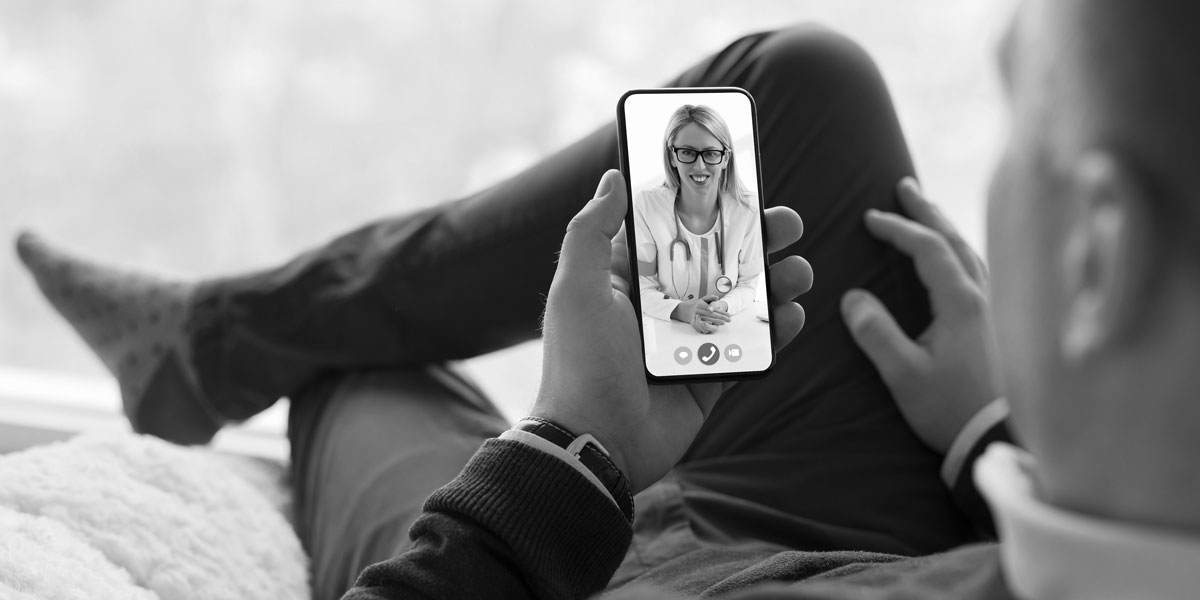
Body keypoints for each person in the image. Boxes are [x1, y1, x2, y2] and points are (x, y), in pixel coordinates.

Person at [16, 0, 1200, 598]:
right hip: (921, 546)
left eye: (1021, 107)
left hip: (615, 573)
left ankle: (226, 346)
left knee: (369, 378)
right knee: (800, 83)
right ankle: (222, 340)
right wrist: (996, 435)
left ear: (1098, 255)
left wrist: (561, 463)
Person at [633, 104, 764, 334]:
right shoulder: (647, 205)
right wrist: (685, 311)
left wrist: (721, 307)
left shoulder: (748, 209)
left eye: (711, 153)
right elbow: (642, 287)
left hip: (728, 330)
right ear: (672, 156)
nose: (699, 165)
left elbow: (748, 284)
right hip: (667, 331)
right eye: (687, 152)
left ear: (725, 159)